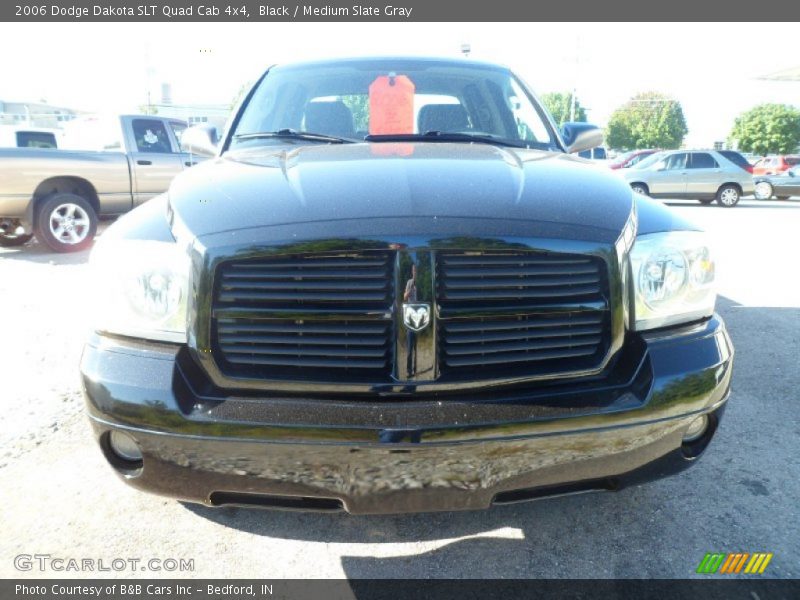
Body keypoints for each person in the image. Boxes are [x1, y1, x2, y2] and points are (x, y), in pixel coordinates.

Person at [404, 265, 417, 377]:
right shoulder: (409, 282)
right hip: (410, 316)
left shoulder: (421, 283)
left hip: (421, 315)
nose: (415, 272)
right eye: (413, 270)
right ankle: (408, 370)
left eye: (416, 270)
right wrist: (410, 289)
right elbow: (404, 297)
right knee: (409, 345)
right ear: (412, 271)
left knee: (416, 345)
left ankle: (415, 369)